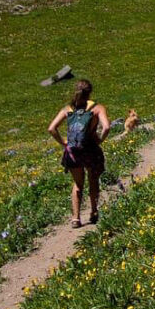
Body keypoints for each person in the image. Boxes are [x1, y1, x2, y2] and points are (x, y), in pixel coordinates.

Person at [48, 80, 110, 227]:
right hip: (90, 149)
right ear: (90, 92)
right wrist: (99, 140)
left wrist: (64, 142)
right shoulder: (97, 108)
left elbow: (51, 128)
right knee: (93, 180)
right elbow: (106, 127)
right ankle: (94, 212)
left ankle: (76, 218)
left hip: (72, 151)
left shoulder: (68, 108)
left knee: (77, 183)